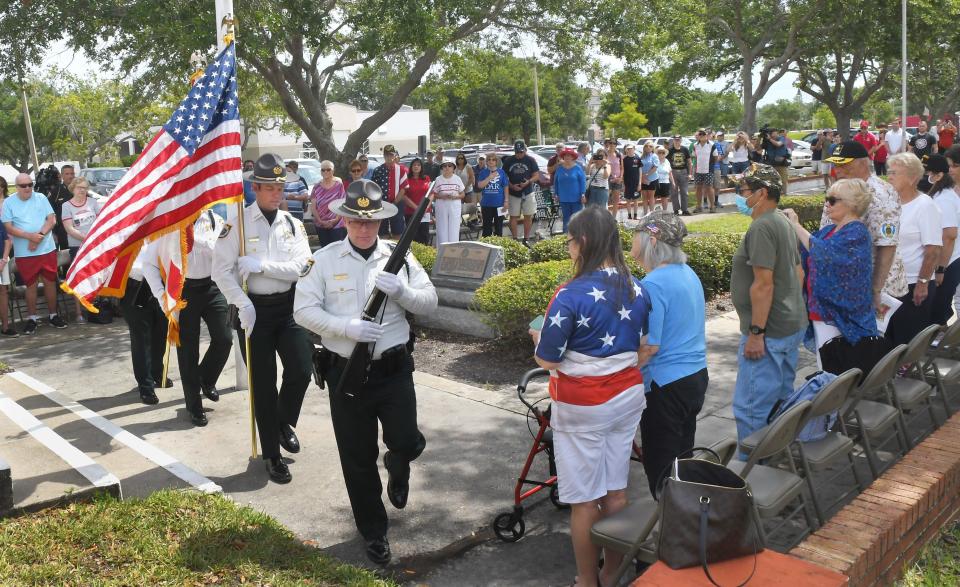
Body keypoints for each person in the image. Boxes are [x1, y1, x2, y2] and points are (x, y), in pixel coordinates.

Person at [294, 179, 438, 566]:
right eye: (357, 221)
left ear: (379, 222)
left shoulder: (400, 257)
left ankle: (398, 462)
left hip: (393, 371)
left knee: (407, 441)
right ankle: (374, 531)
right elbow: (302, 310)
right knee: (357, 459)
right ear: (344, 221)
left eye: (370, 221)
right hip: (346, 373)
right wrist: (345, 327)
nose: (363, 228)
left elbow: (430, 300)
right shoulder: (323, 261)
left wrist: (403, 293)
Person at [530, 206, 649, 587]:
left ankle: (586, 580)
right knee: (616, 492)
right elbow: (641, 344)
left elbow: (547, 358)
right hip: (627, 399)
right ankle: (611, 573)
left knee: (584, 501)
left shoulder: (569, 294)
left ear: (582, 242)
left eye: (568, 240)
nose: (567, 247)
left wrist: (538, 339)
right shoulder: (638, 286)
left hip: (583, 406)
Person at [212, 153, 314, 484]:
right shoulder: (236, 224)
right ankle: (272, 454)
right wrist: (241, 303)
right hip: (253, 312)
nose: (276, 193)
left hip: (288, 308)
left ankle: (283, 422)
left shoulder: (292, 224)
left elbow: (304, 266)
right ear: (255, 187)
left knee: (301, 367)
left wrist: (264, 266)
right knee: (263, 383)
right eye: (269, 187)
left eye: (280, 186)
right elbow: (221, 272)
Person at [730, 163, 807, 454]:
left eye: (744, 191)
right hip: (789, 324)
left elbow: (763, 285)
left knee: (751, 410)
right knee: (779, 400)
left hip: (769, 332)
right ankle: (776, 459)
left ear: (761, 193)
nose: (739, 196)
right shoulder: (783, 221)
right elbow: (797, 273)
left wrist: (756, 333)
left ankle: (752, 477)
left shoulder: (763, 226)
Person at [629, 210, 707, 496]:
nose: (631, 242)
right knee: (682, 461)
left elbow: (649, 346)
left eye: (635, 234)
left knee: (662, 469)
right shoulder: (688, 272)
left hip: (667, 387)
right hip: (695, 377)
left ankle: (672, 530)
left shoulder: (653, 283)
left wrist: (618, 373)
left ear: (651, 239)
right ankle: (686, 525)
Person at [142, 210, 232, 427]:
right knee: (188, 351)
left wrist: (209, 247)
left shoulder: (213, 220)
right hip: (183, 290)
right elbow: (148, 263)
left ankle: (206, 378)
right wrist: (162, 297)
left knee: (224, 338)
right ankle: (194, 406)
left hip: (212, 286)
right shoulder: (169, 223)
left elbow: (229, 253)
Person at [783, 180, 879, 372]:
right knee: (826, 364)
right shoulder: (829, 230)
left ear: (852, 204)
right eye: (826, 199)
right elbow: (804, 251)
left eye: (832, 200)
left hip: (841, 315)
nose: (827, 203)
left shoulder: (857, 232)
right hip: (820, 311)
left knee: (834, 370)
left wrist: (796, 224)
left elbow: (823, 252)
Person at [823, 140, 907, 311]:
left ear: (863, 162)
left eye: (844, 165)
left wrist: (876, 290)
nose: (837, 170)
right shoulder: (843, 188)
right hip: (847, 282)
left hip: (874, 286)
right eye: (835, 165)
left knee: (878, 337)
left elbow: (887, 245)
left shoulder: (879, 194)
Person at [884, 152, 942, 345]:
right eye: (889, 171)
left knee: (906, 342)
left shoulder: (924, 205)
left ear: (912, 178)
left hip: (912, 286)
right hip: (888, 285)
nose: (889, 176)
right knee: (887, 340)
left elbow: (933, 249)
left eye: (895, 173)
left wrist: (923, 282)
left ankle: (903, 375)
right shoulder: (889, 203)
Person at [1, 173, 67, 334]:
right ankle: (32, 319)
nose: (28, 188)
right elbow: (8, 227)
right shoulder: (9, 202)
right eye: (23, 185)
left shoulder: (41, 198)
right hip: (25, 253)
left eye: (30, 184)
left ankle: (53, 316)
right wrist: (29, 236)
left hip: (47, 249)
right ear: (16, 187)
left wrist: (38, 237)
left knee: (50, 282)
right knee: (30, 285)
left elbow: (51, 220)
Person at [120, 247, 171, 405]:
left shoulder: (162, 228)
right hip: (136, 285)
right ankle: (145, 385)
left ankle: (157, 372)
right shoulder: (127, 228)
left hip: (161, 284)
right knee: (141, 339)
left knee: (161, 333)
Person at [924, 154, 960, 325]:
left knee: (938, 310)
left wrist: (940, 269)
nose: (926, 177)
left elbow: (949, 235)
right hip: (949, 260)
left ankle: (940, 346)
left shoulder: (944, 198)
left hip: (948, 261)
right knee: (940, 308)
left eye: (929, 173)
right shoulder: (943, 194)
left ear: (938, 176)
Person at [60, 177, 101, 323]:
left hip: (94, 245)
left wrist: (93, 240)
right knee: (78, 278)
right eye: (79, 187)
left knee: (97, 276)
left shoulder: (93, 202)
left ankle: (98, 307)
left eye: (84, 188)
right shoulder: (66, 205)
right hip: (77, 247)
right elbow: (69, 229)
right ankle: (79, 313)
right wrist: (86, 239)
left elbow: (100, 221)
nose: (82, 190)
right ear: (73, 188)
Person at [502, 141, 540, 245]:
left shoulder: (530, 160)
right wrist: (511, 185)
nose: (519, 154)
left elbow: (536, 175)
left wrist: (528, 182)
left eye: (521, 152)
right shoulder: (509, 160)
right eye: (517, 152)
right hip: (513, 192)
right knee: (513, 216)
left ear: (525, 150)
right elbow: (503, 177)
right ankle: (515, 239)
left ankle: (526, 239)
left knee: (528, 215)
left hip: (527, 191)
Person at [370, 145, 409, 238]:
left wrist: (394, 202)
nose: (389, 157)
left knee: (398, 232)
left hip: (397, 203)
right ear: (384, 156)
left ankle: (397, 252)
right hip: (381, 205)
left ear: (395, 155)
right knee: (382, 233)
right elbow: (373, 189)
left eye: (391, 155)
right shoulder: (378, 170)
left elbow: (404, 188)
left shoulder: (401, 169)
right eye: (387, 155)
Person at [308, 160, 347, 247]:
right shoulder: (316, 186)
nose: (325, 172)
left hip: (337, 224)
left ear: (333, 171)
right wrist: (320, 221)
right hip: (320, 224)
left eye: (328, 169)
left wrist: (335, 220)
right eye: (323, 170)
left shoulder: (339, 185)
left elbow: (342, 204)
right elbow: (313, 207)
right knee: (324, 250)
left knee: (338, 250)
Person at [398, 157, 433, 244]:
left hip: (425, 213)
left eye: (418, 165)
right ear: (411, 167)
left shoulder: (426, 178)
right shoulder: (406, 180)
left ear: (421, 167)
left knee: (424, 236)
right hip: (411, 213)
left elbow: (431, 194)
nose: (416, 167)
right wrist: (417, 208)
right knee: (413, 237)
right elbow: (404, 196)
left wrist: (425, 207)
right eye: (414, 165)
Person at [430, 160, 465, 245]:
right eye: (445, 166)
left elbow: (463, 194)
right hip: (442, 205)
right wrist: (442, 196)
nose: (447, 168)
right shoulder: (438, 179)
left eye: (449, 166)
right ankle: (442, 251)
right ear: (442, 168)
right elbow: (434, 194)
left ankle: (453, 251)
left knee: (454, 228)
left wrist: (455, 197)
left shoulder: (457, 178)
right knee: (442, 229)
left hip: (454, 205)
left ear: (453, 168)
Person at [552, 148, 587, 232]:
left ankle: (578, 238)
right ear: (563, 157)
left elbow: (583, 182)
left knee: (577, 219)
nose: (567, 157)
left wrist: (583, 194)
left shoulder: (578, 168)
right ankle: (566, 238)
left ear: (573, 157)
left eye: (569, 155)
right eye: (566, 155)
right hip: (563, 198)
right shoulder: (559, 169)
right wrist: (556, 194)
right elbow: (556, 182)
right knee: (566, 219)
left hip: (577, 199)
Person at [477, 152, 509, 238]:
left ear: (496, 162)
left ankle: (498, 247)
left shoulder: (501, 172)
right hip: (486, 204)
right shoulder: (483, 172)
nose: (491, 161)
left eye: (493, 160)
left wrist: (506, 201)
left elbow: (505, 187)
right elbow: (480, 185)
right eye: (489, 160)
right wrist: (489, 178)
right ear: (486, 162)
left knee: (499, 228)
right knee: (487, 229)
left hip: (499, 204)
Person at [0, 178, 15, 337]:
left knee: (3, 292)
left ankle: (5, 326)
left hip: (2, 258)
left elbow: (6, 240)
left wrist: (4, 260)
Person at [692, 129, 716, 212]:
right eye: (700, 134)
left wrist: (710, 165)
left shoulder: (712, 145)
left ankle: (712, 206)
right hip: (698, 170)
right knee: (698, 188)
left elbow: (715, 157)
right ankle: (699, 206)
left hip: (708, 170)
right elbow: (695, 157)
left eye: (703, 134)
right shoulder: (695, 145)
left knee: (709, 187)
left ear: (707, 135)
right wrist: (694, 168)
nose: (702, 136)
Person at [667, 135, 692, 216]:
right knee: (673, 192)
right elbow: (666, 163)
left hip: (683, 172)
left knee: (684, 192)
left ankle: (685, 210)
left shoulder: (685, 149)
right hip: (673, 171)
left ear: (681, 140)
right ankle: (676, 210)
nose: (677, 141)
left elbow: (689, 162)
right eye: (675, 140)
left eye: (678, 140)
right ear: (673, 140)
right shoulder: (669, 150)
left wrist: (690, 174)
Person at [763, 128, 791, 196]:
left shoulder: (782, 138)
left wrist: (770, 139)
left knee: (784, 180)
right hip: (772, 163)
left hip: (782, 164)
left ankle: (784, 194)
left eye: (775, 132)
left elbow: (778, 144)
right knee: (773, 181)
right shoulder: (767, 141)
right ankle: (776, 194)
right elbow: (758, 148)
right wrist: (760, 138)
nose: (774, 134)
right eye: (772, 133)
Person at [453, 152, 478, 226]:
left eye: (462, 158)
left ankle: (472, 221)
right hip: (458, 192)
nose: (460, 160)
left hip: (467, 190)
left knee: (471, 207)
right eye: (459, 158)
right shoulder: (454, 167)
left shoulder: (468, 167)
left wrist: (464, 187)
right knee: (458, 208)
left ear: (464, 159)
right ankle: (460, 222)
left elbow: (471, 178)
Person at [621, 144, 641, 220]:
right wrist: (623, 184)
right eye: (628, 149)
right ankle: (629, 215)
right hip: (627, 183)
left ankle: (635, 215)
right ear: (626, 150)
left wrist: (639, 183)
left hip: (636, 183)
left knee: (636, 200)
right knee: (628, 200)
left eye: (631, 149)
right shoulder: (624, 159)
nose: (630, 150)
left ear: (634, 149)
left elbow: (640, 171)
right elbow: (622, 171)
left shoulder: (637, 158)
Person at [639, 141, 659, 217]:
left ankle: (651, 214)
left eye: (650, 146)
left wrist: (647, 175)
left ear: (653, 148)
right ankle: (645, 214)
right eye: (647, 146)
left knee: (651, 197)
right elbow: (639, 167)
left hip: (652, 179)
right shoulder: (641, 156)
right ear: (644, 147)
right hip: (643, 179)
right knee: (644, 197)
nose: (648, 147)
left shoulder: (654, 156)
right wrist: (642, 177)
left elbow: (655, 167)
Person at [605, 138, 624, 216]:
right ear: (608, 144)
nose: (612, 145)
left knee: (616, 200)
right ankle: (606, 216)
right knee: (605, 199)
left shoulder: (619, 155)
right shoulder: (605, 154)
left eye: (614, 143)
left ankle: (614, 218)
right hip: (607, 178)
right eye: (610, 143)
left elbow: (622, 168)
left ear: (616, 145)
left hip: (617, 179)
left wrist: (621, 178)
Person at [654, 146, 673, 212]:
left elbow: (670, 172)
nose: (661, 154)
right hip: (656, 181)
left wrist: (673, 182)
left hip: (665, 182)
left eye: (663, 152)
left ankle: (665, 212)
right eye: (659, 152)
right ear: (657, 153)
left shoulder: (667, 161)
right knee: (654, 197)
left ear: (664, 153)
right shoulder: (655, 160)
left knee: (664, 197)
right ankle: (651, 212)